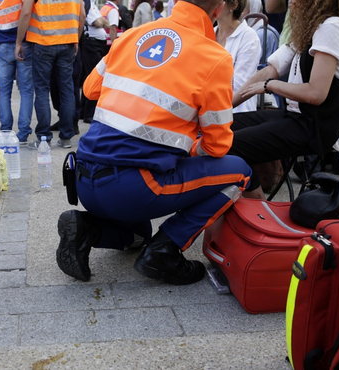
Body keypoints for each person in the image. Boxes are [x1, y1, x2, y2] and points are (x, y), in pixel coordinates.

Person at [56, 0, 253, 285]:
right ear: (219, 7)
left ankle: (86, 227)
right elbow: (218, 147)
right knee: (240, 171)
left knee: (138, 235)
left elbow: (90, 89)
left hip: (86, 178)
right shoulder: (215, 58)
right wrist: (186, 144)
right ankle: (165, 250)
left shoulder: (134, 34)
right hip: (134, 188)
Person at [228, 0, 339, 196]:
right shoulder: (311, 28)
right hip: (297, 117)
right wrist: (223, 109)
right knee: (223, 127)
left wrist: (270, 86)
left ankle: (256, 202)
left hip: (317, 127)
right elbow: (270, 70)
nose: (290, 1)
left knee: (229, 145)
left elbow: (315, 94)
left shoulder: (332, 28)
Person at [15, 0, 85, 148]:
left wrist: (18, 42)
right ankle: (66, 137)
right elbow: (82, 14)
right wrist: (76, 39)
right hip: (67, 42)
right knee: (67, 91)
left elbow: (27, 12)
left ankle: (43, 137)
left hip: (43, 41)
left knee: (42, 91)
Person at [0, 0, 35, 144]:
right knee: (26, 91)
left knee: (4, 92)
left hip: (2, 45)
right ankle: (23, 133)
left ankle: (5, 130)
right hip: (23, 43)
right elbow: (27, 11)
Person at [216, 0, 260, 113]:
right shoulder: (208, 33)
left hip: (237, 112)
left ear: (234, 5)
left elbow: (239, 86)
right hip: (209, 111)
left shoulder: (248, 36)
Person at [79, 0, 110, 124]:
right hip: (91, 44)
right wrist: (101, 22)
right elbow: (99, 22)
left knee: (89, 76)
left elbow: (105, 23)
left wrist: (102, 22)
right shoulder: (87, 3)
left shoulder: (92, 4)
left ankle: (83, 111)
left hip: (96, 44)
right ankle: (89, 113)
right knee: (95, 78)